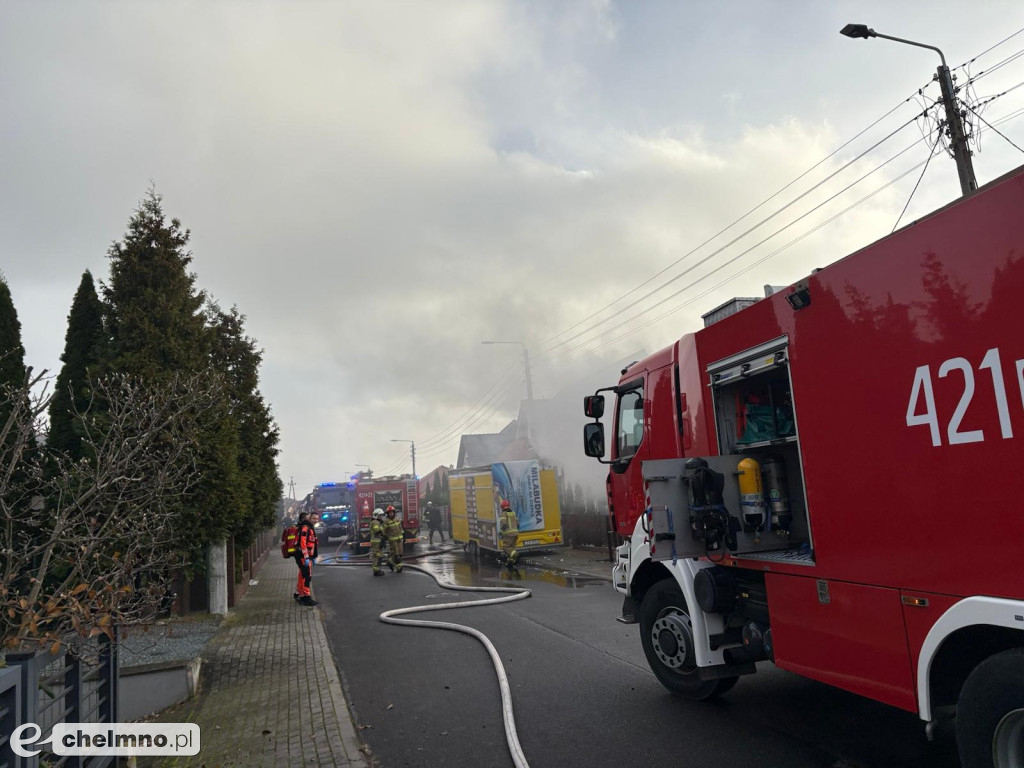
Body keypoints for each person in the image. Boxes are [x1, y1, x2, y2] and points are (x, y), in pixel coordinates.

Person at [296, 511, 319, 606]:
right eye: (314, 518)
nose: (315, 520)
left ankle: (301, 594)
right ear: (309, 518)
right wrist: (306, 557)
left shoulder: (310, 527)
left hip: (307, 556)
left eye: (317, 519)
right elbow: (303, 543)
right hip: (304, 556)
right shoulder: (306, 528)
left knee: (302, 575)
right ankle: (307, 597)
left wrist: (313, 556)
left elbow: (312, 544)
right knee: (307, 576)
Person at [499, 499, 519, 570]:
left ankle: (516, 555)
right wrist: (516, 531)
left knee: (505, 547)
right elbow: (518, 524)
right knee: (511, 549)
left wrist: (501, 532)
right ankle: (510, 562)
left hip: (508, 534)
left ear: (502, 507)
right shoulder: (513, 513)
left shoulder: (504, 514)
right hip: (515, 534)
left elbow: (504, 524)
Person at [383, 505, 404, 573]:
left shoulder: (397, 519)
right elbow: (383, 530)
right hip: (393, 541)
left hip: (399, 539)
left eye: (392, 512)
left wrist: (403, 534)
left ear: (394, 512)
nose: (391, 514)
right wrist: (384, 537)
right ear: (388, 514)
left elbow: (400, 527)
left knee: (400, 554)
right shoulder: (386, 521)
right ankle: (399, 567)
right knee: (396, 555)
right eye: (389, 513)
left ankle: (390, 562)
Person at [369, 508, 387, 576]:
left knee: (379, 556)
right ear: (376, 515)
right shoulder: (375, 522)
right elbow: (377, 531)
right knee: (377, 556)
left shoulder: (378, 522)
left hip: (378, 542)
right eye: (380, 515)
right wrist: (384, 536)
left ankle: (377, 569)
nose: (381, 517)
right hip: (376, 542)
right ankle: (376, 570)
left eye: (381, 515)